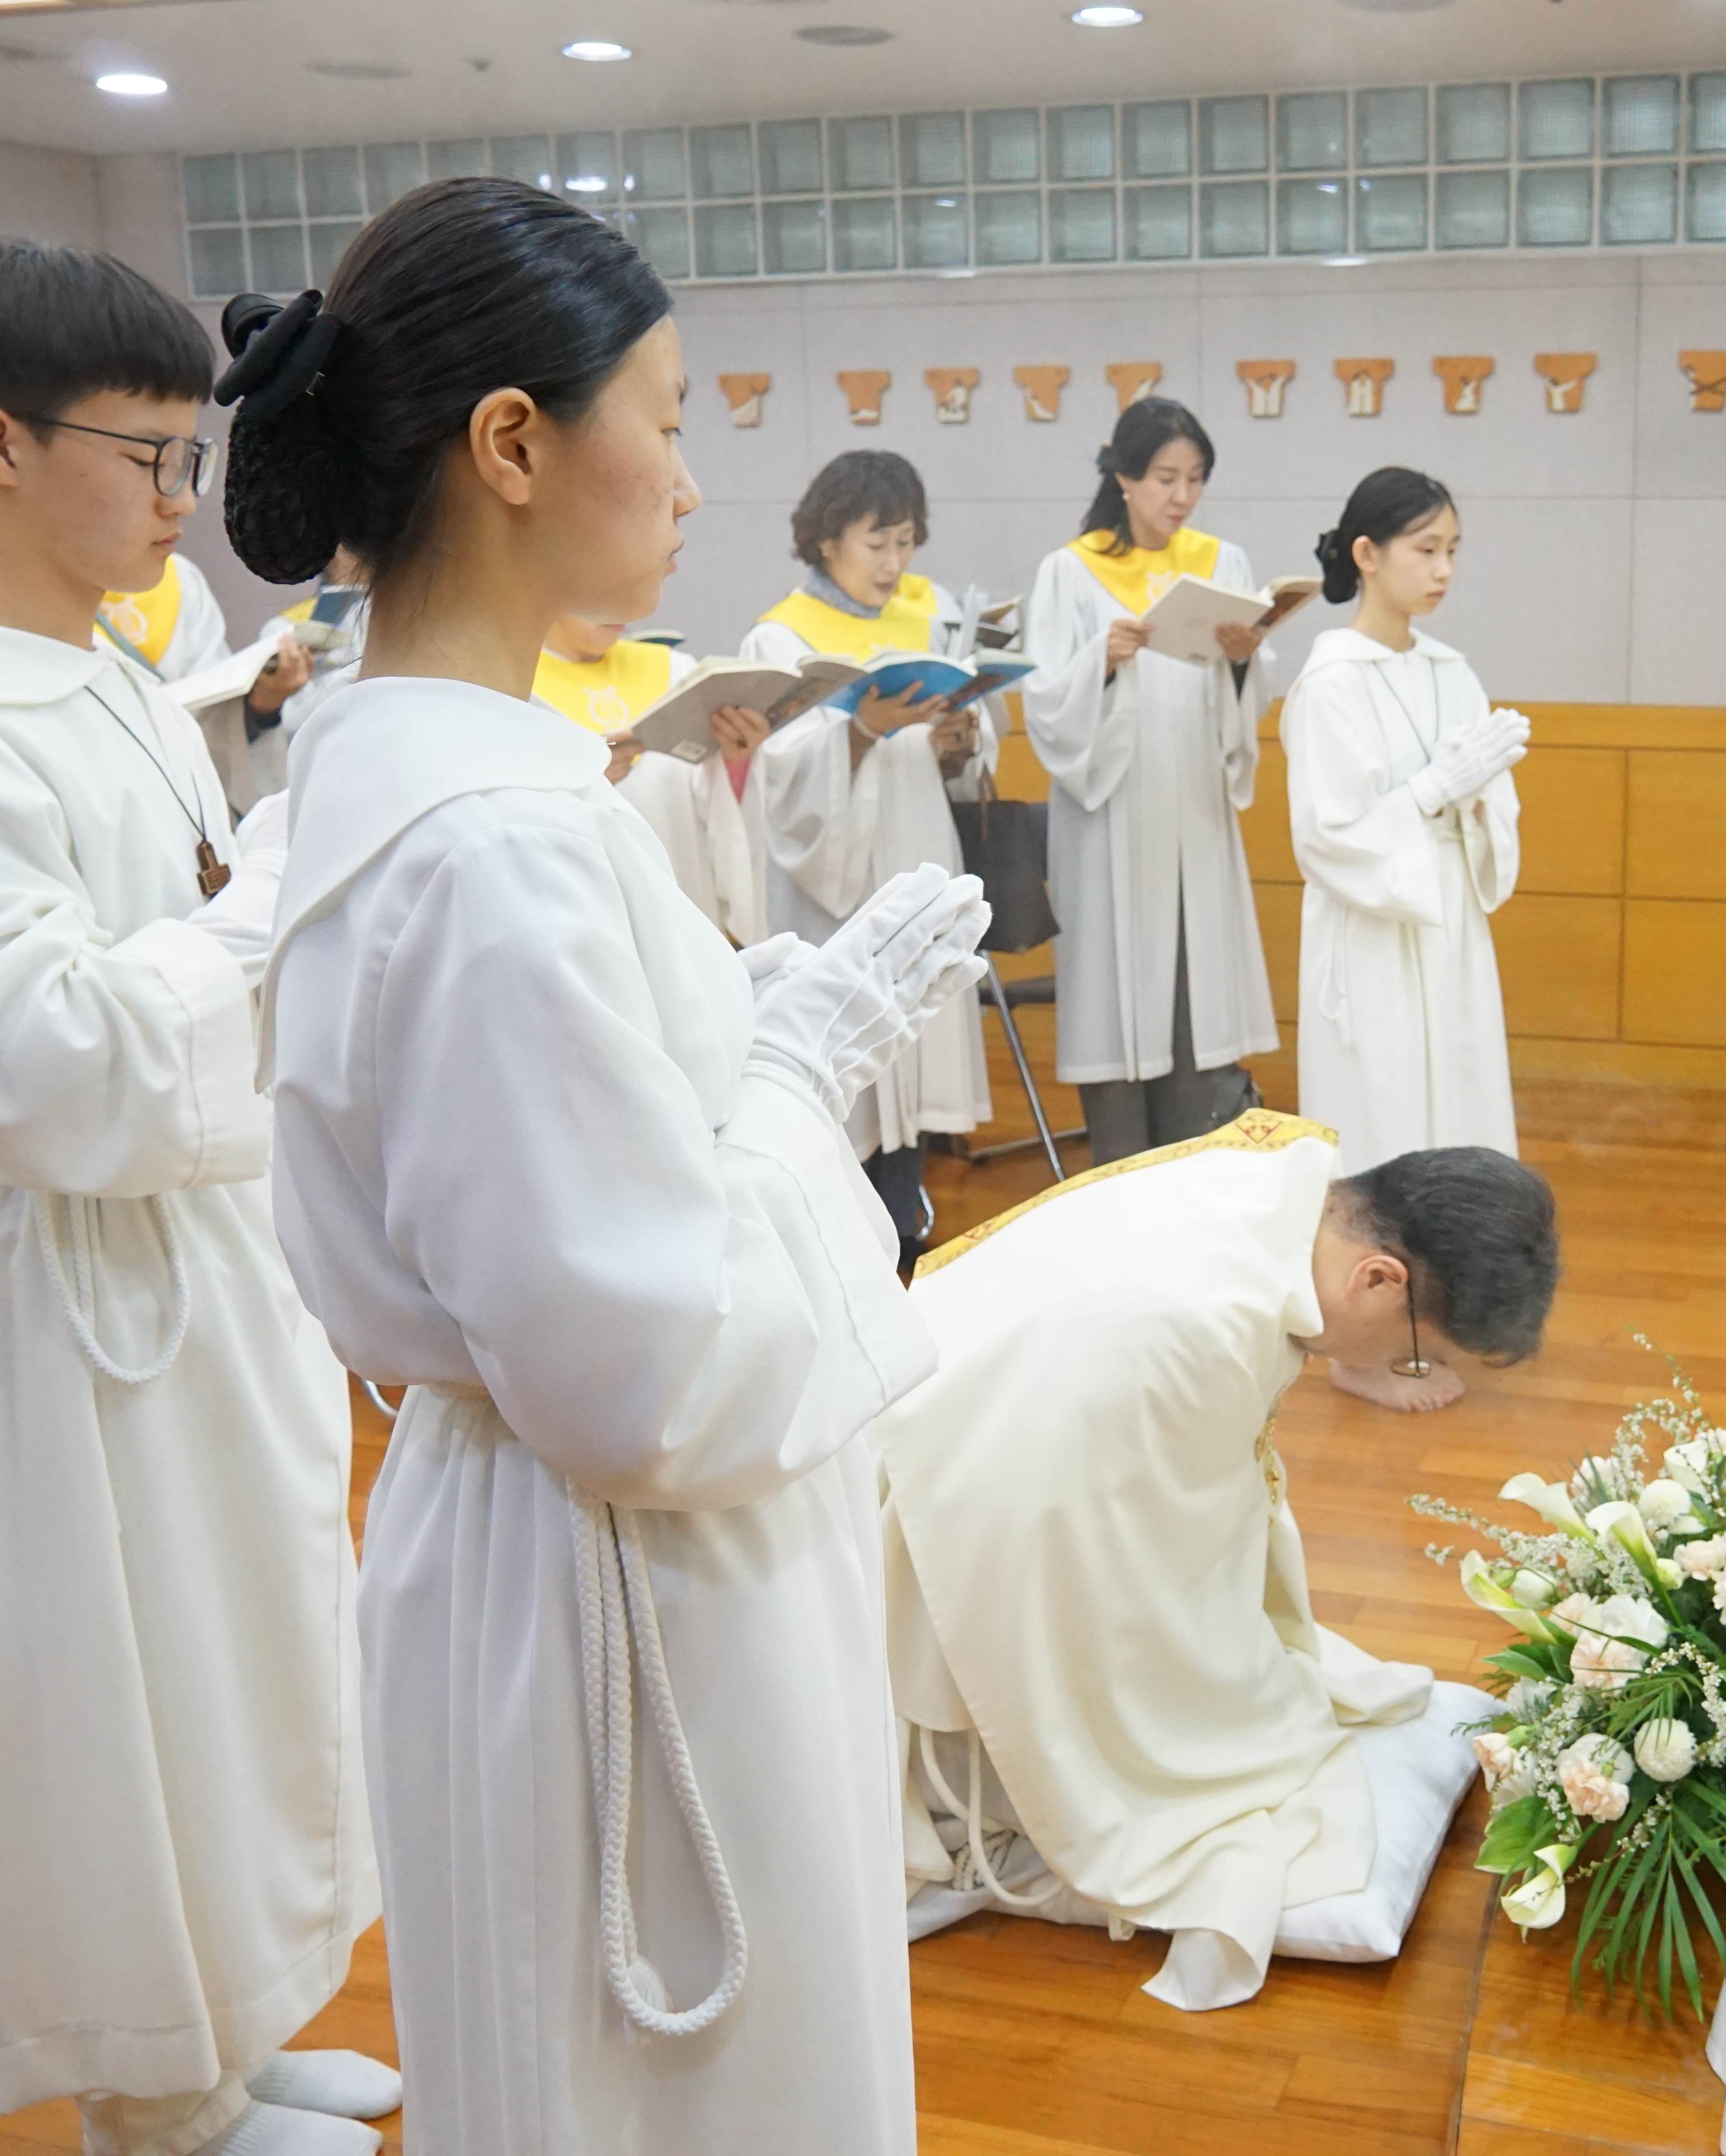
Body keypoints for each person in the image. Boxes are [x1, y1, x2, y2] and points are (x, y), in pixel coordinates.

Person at [222, 178, 988, 2155]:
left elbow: (590, 1172)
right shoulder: (491, 842)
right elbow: (653, 1368)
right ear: (511, 442)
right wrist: (796, 1076)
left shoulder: (447, 775)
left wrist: (748, 1030)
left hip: (550, 1547)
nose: (689, 476)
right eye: (661, 415)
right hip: (620, 1571)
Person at [0, 239, 388, 2156]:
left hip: (198, 1235)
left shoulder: (110, 675)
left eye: (185, 459)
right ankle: (152, 2097)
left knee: (242, 1650)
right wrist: (264, 896)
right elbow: (43, 1050)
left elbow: (186, 918)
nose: (179, 502)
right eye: (148, 457)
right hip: (79, 1278)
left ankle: (234, 2027)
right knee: (118, 1687)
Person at [878, 1121, 1560, 2007]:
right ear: (1378, 1278)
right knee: (1200, 1746)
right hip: (921, 1517)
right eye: (1415, 1353)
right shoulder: (1207, 1327)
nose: (1404, 1371)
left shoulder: (1274, 1176)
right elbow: (1093, 1569)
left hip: (931, 1374)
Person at [1283, 469, 1531, 1408]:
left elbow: (1490, 807)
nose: (1443, 569)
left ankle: (1443, 1318)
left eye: (1453, 551)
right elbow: (1329, 836)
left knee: (1454, 1112)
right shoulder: (1329, 682)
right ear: (1368, 554)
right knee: (1381, 1122)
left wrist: (1476, 796)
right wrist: (1433, 790)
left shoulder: (1450, 671)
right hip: (1374, 940)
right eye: (1426, 549)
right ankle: (1358, 1348)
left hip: (1447, 931)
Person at [1020, 397, 1283, 1164]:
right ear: (1124, 477)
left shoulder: (1221, 564)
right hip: (1111, 817)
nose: (1182, 496)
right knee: (1116, 1004)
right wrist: (1099, 664)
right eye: (1167, 478)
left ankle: (1195, 1161)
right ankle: (1121, 1173)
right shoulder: (1071, 572)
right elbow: (1045, 702)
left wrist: (1241, 660)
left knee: (1196, 996)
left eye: (1196, 479)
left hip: (1195, 808)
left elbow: (1247, 694)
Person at [744, 451, 992, 1256]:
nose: (893, 564)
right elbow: (780, 781)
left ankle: (904, 1232)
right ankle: (841, 1254)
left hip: (917, 852)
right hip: (836, 888)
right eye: (876, 543)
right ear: (826, 540)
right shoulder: (783, 636)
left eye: (906, 543)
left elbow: (958, 764)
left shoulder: (928, 616)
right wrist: (859, 731)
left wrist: (956, 741)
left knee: (909, 1070)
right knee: (845, 1088)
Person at [0, 548, 312, 811]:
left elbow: (216, 716)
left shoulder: (178, 580)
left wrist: (260, 705)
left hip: (172, 800)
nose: (180, 503)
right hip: (68, 800)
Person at [531, 612, 774, 944]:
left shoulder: (675, 669)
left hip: (689, 901)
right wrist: (586, 783)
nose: (623, 610)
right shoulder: (516, 687)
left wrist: (735, 758)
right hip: (592, 916)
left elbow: (716, 801)